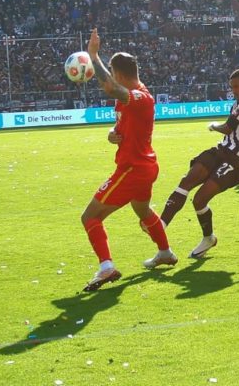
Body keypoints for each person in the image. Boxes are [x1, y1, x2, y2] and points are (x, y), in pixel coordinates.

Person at [79, 28, 174, 292]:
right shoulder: (129, 99)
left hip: (133, 168)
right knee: (143, 211)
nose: (108, 77)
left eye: (111, 72)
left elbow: (110, 87)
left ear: (119, 74)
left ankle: (106, 266)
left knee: (89, 217)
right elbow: (122, 125)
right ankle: (165, 252)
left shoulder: (141, 97)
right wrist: (114, 133)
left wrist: (93, 56)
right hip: (144, 166)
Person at [158, 69, 239, 258]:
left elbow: (228, 128)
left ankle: (207, 238)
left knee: (200, 199)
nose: (234, 91)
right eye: (232, 87)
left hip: (237, 160)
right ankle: (159, 227)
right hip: (221, 151)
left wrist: (213, 125)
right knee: (187, 180)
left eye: (237, 86)